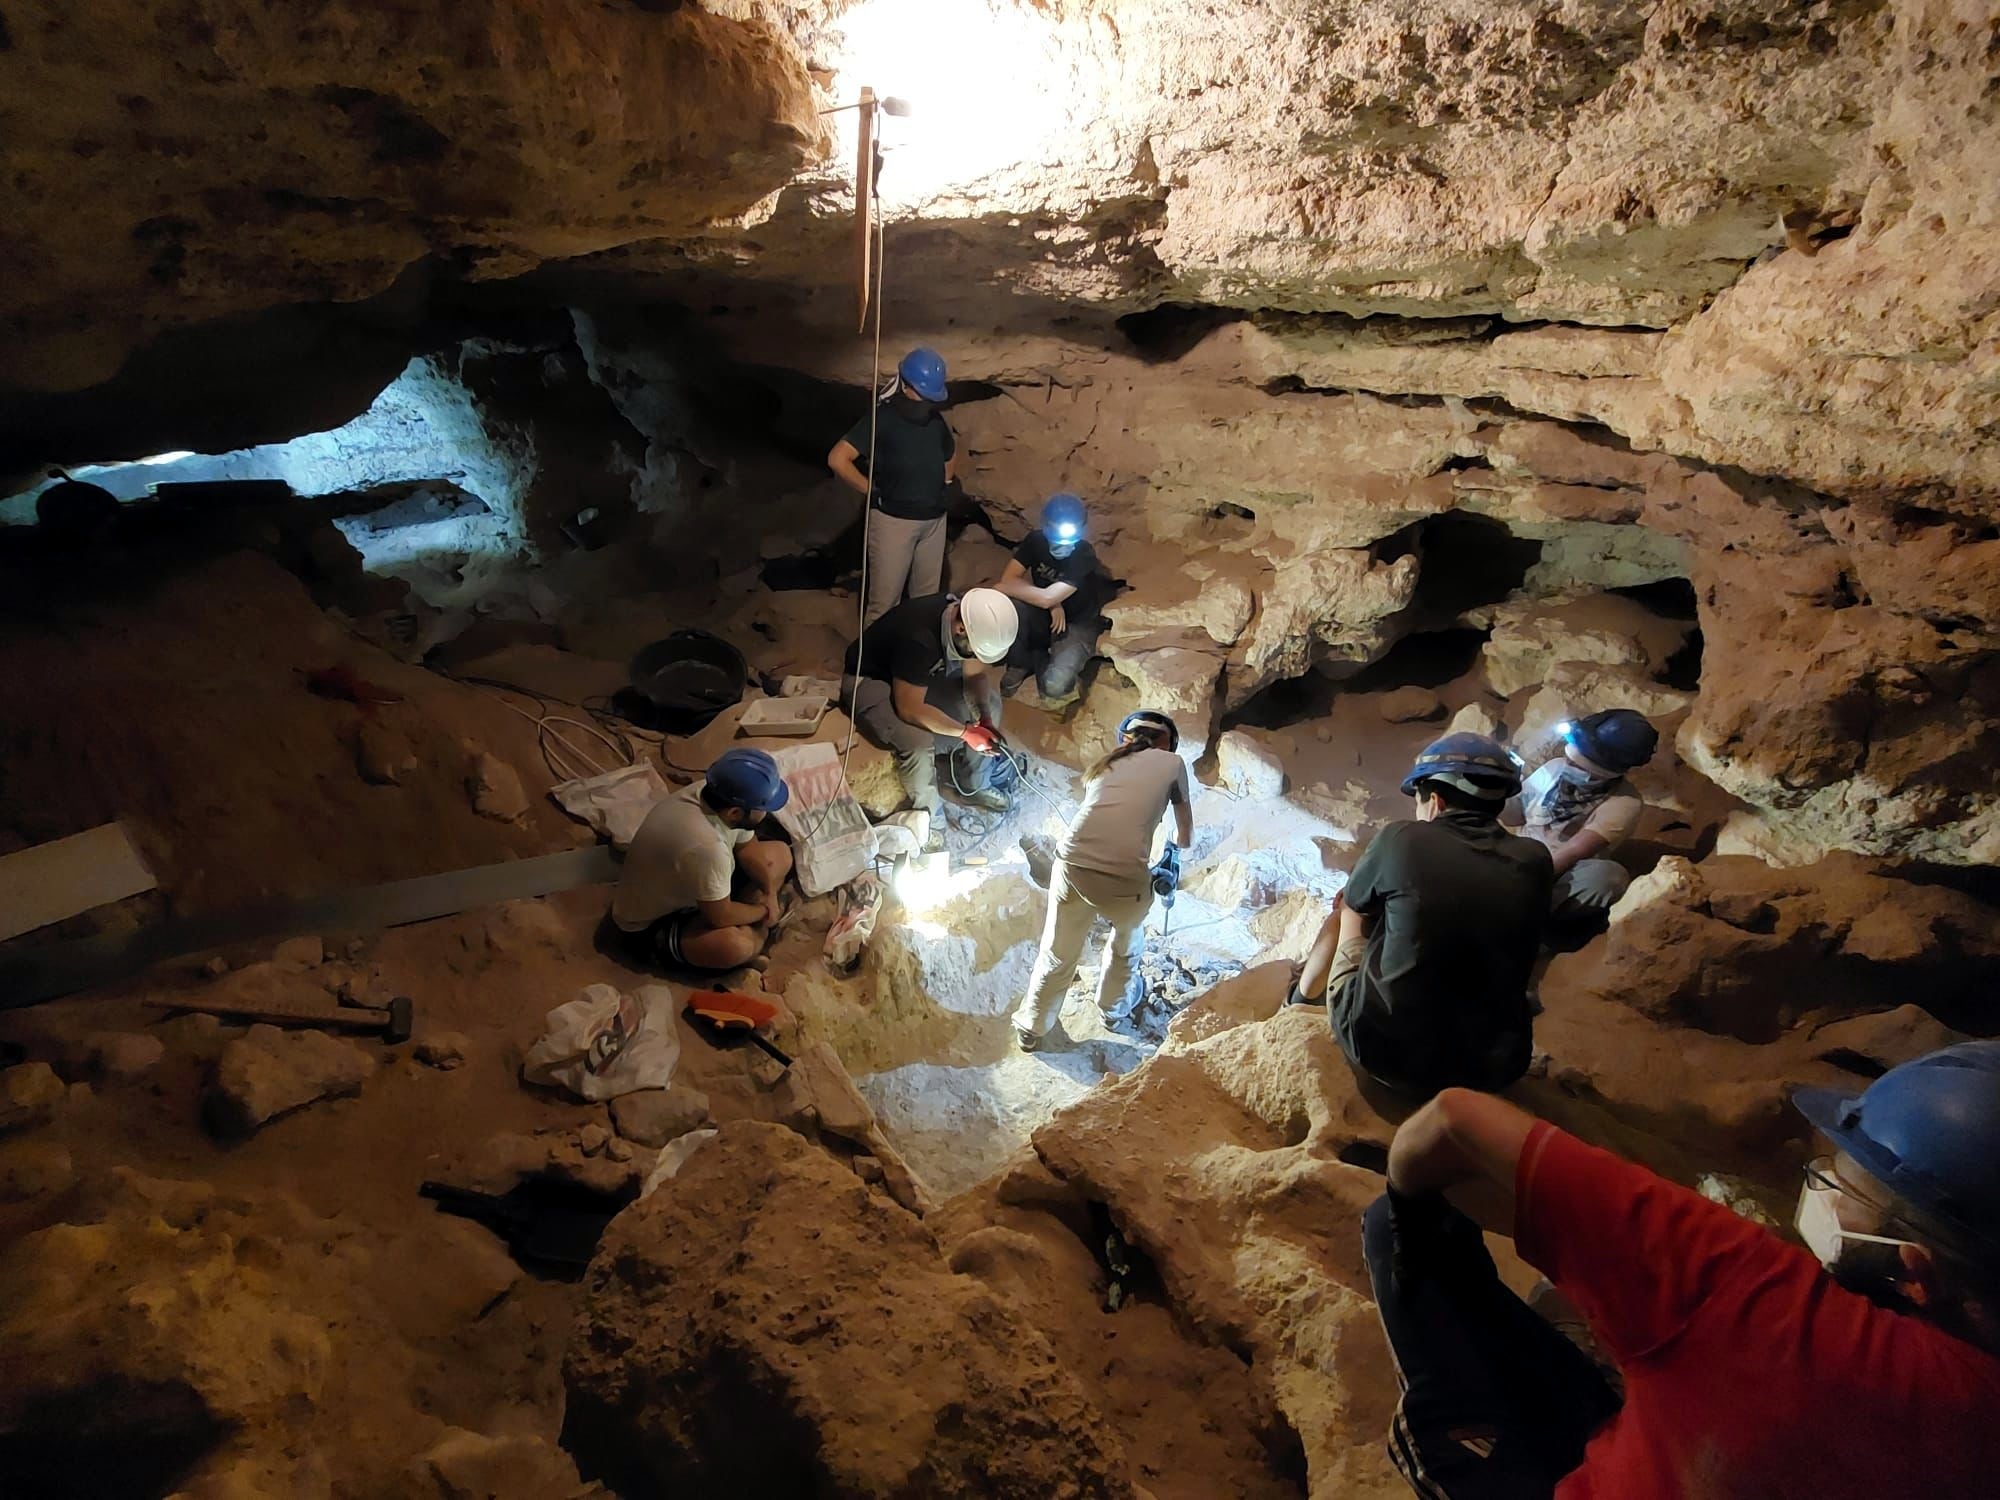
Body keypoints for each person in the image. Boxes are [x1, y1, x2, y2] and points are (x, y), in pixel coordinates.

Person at [1361, 1039, 2000, 1498]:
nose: (1826, 1192)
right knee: (1576, 1314)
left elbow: (1453, 1119)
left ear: (1916, 1272)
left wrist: (1409, 1200)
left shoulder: (1761, 1307)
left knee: (1393, 1230)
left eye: (1846, 1190)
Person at [1289, 733, 1552, 1098]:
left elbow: (1356, 901)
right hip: (1495, 1067)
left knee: (1347, 910)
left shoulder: (1403, 838)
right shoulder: (1535, 858)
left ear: (1435, 801)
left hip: (1389, 1055)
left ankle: (1298, 1004)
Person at [1012, 711, 1193, 1052]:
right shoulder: (1173, 764)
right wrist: (1168, 849)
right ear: (1167, 743)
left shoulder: (1105, 765)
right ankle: (1113, 1009)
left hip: (1070, 866)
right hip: (1124, 878)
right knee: (1127, 943)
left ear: (1124, 739)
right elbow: (1184, 837)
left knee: (1056, 950)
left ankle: (1032, 1025)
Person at [842, 587, 1019, 827]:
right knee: (917, 742)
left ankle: (975, 784)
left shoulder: (969, 616)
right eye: (975, 650)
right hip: (871, 678)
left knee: (991, 704)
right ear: (960, 629)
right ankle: (928, 819)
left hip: (913, 674)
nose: (975, 656)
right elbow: (909, 708)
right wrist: (967, 732)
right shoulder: (920, 639)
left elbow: (975, 677)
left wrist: (984, 719)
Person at [608, 748, 794, 972]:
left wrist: (770, 895)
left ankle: (755, 931)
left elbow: (748, 849)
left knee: (780, 855)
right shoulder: (707, 847)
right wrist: (764, 913)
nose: (765, 813)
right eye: (761, 809)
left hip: (694, 885)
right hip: (654, 922)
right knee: (735, 946)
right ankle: (755, 942)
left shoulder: (711, 794)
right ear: (735, 813)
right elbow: (719, 916)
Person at [827, 347, 958, 627]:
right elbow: (838, 458)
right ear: (907, 386)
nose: (928, 402)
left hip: (933, 521)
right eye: (924, 394)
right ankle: (873, 667)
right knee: (885, 605)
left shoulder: (935, 421)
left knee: (926, 602)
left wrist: (945, 485)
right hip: (893, 522)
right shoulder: (882, 418)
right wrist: (872, 491)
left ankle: (915, 662)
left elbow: (950, 452)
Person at [1507, 709, 1658, 935]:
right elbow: (1515, 815)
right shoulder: (1555, 768)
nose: (1569, 764)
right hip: (1517, 856)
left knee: (1607, 876)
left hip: (1556, 876)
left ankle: (1535, 930)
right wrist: (1497, 787)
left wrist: (1515, 884)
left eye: (1578, 765)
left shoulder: (1624, 802)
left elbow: (1573, 852)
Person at [992, 492, 1109, 710]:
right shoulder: (1035, 541)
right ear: (1045, 528)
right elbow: (1009, 578)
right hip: (1044, 612)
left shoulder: (1084, 554)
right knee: (1008, 606)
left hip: (1079, 622)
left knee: (1055, 687)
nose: (1064, 545)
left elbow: (1038, 594)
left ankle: (1039, 656)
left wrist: (1051, 601)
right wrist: (1053, 603)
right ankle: (1021, 662)